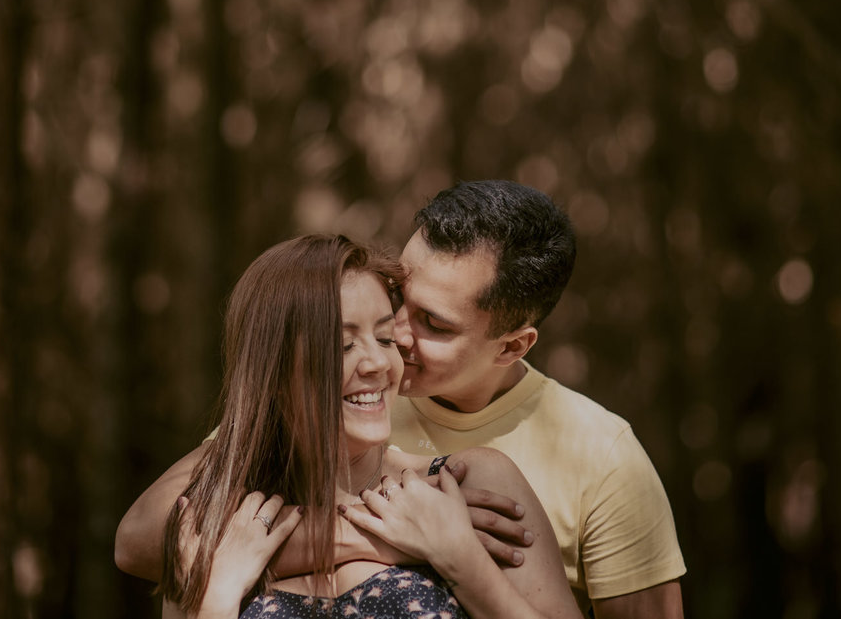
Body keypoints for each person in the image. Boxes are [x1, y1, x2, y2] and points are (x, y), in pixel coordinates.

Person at [119, 181, 686, 618]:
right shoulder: (268, 464)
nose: (392, 350)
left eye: (428, 324)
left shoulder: (594, 456)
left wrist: (461, 558)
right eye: (399, 305)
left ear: (512, 345)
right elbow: (142, 539)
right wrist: (377, 537)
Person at [157, 233, 581, 619]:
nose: (379, 363)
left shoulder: (469, 487)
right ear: (275, 372)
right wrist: (218, 598)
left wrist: (464, 563)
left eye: (385, 339)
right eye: (343, 346)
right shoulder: (214, 526)